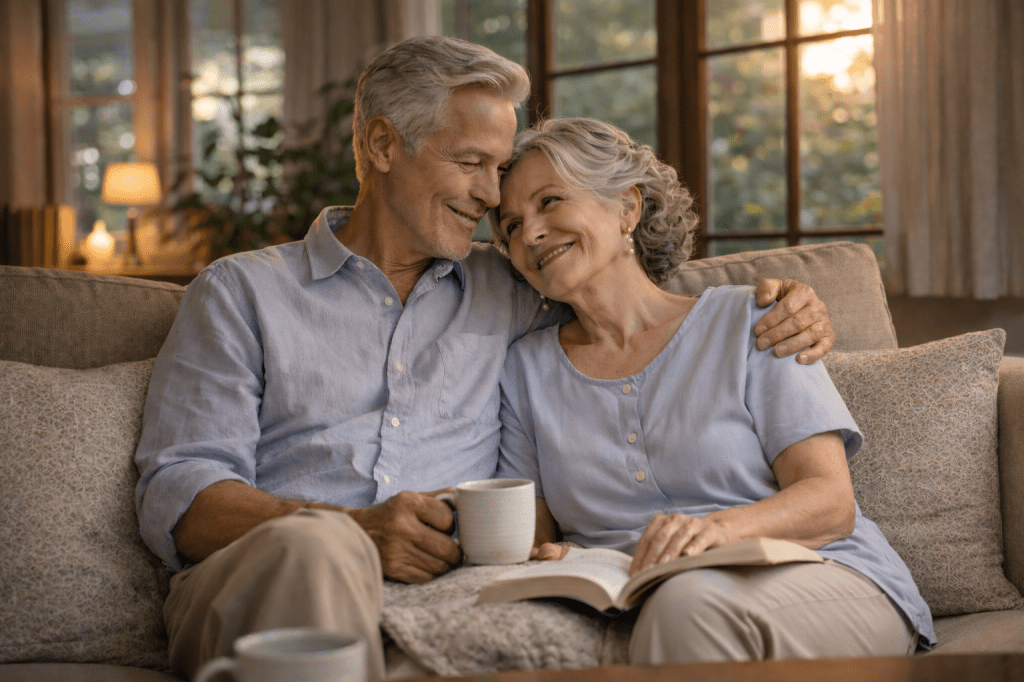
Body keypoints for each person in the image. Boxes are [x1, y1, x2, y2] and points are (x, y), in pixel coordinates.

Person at [134, 37, 837, 681]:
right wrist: (354, 531)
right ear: (382, 144)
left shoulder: (511, 284)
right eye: (470, 163)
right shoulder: (242, 292)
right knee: (318, 551)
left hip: (442, 593)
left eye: (499, 170)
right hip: (271, 576)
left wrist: (783, 299)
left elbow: (626, 291)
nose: (493, 197)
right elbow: (179, 490)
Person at [491, 117, 935, 664]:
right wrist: (553, 555)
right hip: (638, 595)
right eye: (511, 226)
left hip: (818, 574)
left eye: (550, 201)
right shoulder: (523, 371)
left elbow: (830, 502)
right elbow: (533, 540)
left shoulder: (754, 318)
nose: (530, 233)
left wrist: (710, 532)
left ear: (626, 207)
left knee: (688, 605)